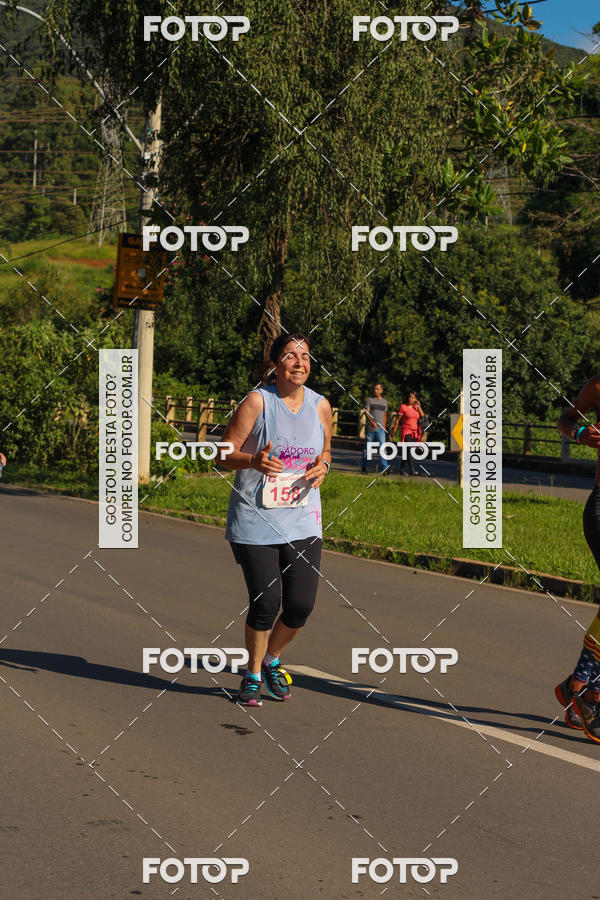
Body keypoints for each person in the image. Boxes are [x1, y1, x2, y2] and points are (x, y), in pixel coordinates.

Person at [221, 332, 332, 707]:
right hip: (256, 518)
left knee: (300, 605)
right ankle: (252, 674)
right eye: (290, 356)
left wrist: (324, 467)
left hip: (303, 518)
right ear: (276, 364)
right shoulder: (257, 401)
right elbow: (222, 454)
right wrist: (252, 460)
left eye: (305, 356)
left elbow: (326, 451)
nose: (300, 363)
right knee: (266, 601)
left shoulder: (321, 406)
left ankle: (271, 659)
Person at [555, 375, 600, 743]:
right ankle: (588, 692)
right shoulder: (598, 386)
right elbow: (566, 419)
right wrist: (580, 433)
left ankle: (580, 686)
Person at [391, 391, 425, 476]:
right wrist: (394, 430)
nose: (410, 398)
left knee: (407, 451)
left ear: (416, 399)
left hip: (415, 432)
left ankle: (401, 469)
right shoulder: (403, 407)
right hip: (406, 431)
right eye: (409, 397)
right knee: (409, 449)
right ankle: (412, 469)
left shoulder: (416, 408)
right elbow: (398, 419)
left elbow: (422, 416)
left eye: (412, 397)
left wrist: (419, 406)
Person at [361, 383, 390, 475]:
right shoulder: (370, 400)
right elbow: (366, 412)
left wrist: (384, 426)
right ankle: (364, 467)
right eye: (374, 389)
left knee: (382, 448)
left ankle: (385, 468)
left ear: (381, 390)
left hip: (381, 429)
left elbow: (385, 415)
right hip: (370, 429)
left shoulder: (385, 402)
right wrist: (371, 421)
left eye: (377, 389)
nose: (375, 391)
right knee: (367, 449)